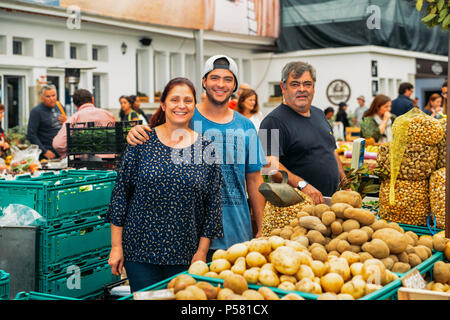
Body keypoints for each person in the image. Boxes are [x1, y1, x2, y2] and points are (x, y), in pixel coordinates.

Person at [125, 55, 267, 258]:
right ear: (204, 82)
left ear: (234, 85)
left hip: (236, 233)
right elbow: (158, 138)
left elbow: (254, 179)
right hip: (189, 235)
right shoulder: (186, 117)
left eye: (228, 79)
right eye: (214, 78)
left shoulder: (245, 126)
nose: (221, 84)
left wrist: (262, 227)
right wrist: (136, 131)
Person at [107, 77, 223, 292]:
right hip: (140, 252)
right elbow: (120, 196)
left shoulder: (206, 148)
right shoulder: (141, 142)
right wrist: (116, 247)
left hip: (185, 255)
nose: (181, 105)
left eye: (188, 100)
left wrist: (200, 253)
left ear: (194, 106)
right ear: (163, 104)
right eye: (175, 100)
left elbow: (213, 207)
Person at [259, 61, 346, 204]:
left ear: (313, 87)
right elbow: (269, 167)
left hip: (331, 203)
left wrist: (344, 182)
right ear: (283, 87)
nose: (302, 89)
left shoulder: (319, 114)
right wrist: (302, 185)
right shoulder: (271, 121)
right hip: (298, 209)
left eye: (307, 84)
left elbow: (331, 151)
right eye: (295, 84)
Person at [52, 89, 117, 158]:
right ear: (92, 100)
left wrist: (68, 152)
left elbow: (58, 145)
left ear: (75, 105)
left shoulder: (74, 119)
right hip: (111, 162)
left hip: (83, 164)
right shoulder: (109, 115)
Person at [27, 85, 67, 159]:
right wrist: (44, 151)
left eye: (53, 95)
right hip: (47, 154)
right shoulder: (36, 111)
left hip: (62, 153)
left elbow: (66, 128)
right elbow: (31, 135)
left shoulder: (60, 106)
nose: (51, 99)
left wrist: (66, 122)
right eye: (48, 96)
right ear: (42, 97)